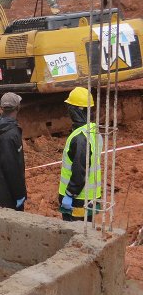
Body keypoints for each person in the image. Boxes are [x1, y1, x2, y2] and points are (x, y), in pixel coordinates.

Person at [59, 86, 101, 222]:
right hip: (91, 196)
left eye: (70, 107)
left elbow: (80, 170)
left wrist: (70, 194)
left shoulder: (80, 137)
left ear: (76, 110)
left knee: (74, 235)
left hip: (78, 200)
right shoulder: (93, 130)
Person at [0, 92, 27, 211]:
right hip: (8, 195)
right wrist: (19, 195)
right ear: (17, 107)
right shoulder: (11, 134)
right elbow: (12, 169)